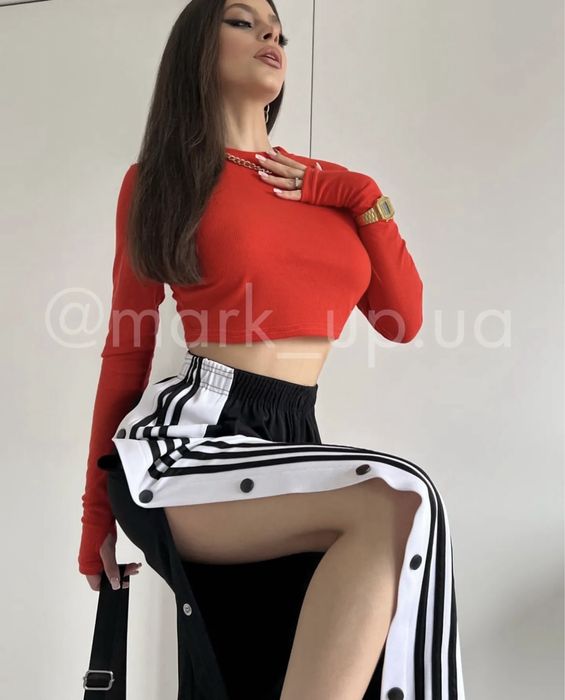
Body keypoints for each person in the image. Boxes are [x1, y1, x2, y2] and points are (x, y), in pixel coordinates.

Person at [78, 1, 466, 699]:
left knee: (276, 664)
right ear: (198, 47)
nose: (270, 35)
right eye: (243, 20)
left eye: (279, 30)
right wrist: (95, 520)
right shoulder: (162, 179)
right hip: (190, 438)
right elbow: (126, 351)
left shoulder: (331, 188)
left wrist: (362, 194)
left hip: (293, 436)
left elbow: (401, 319)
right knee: (397, 502)